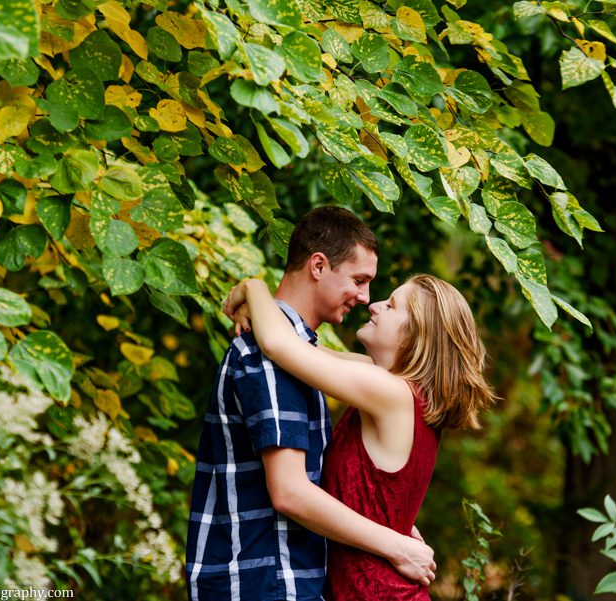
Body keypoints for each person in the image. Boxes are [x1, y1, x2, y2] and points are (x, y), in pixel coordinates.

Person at [185, 206, 436, 601]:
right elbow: (290, 491)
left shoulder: (324, 366)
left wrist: (254, 288)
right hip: (264, 581)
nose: (368, 299)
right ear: (318, 265)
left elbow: (288, 344)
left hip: (287, 580)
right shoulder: (276, 359)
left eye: (386, 302)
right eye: (359, 280)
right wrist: (396, 538)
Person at [223, 272, 496, 600]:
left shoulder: (390, 393)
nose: (375, 305)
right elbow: (299, 347)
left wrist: (254, 287)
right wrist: (254, 308)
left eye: (392, 306)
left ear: (417, 335)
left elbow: (278, 345)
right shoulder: (392, 387)